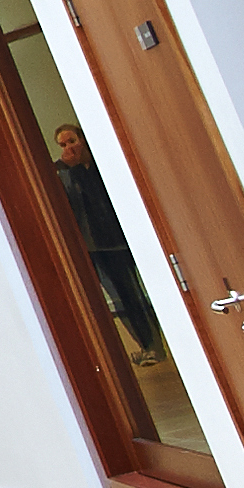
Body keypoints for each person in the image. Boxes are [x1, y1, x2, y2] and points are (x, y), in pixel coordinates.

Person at [51, 124, 164, 358]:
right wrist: (65, 168)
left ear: (83, 139)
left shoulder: (101, 164)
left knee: (142, 290)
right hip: (95, 246)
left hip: (119, 239)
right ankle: (147, 345)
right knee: (121, 297)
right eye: (63, 145)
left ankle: (159, 342)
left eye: (72, 141)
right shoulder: (66, 173)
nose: (69, 148)